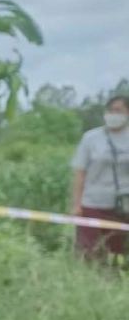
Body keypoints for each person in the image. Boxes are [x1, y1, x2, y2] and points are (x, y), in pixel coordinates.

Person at [71, 95, 129, 262]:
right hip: (92, 204)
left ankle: (111, 283)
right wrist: (76, 205)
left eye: (118, 110)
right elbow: (79, 173)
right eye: (110, 110)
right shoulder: (91, 138)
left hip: (121, 206)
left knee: (115, 253)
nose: (113, 114)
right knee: (89, 250)